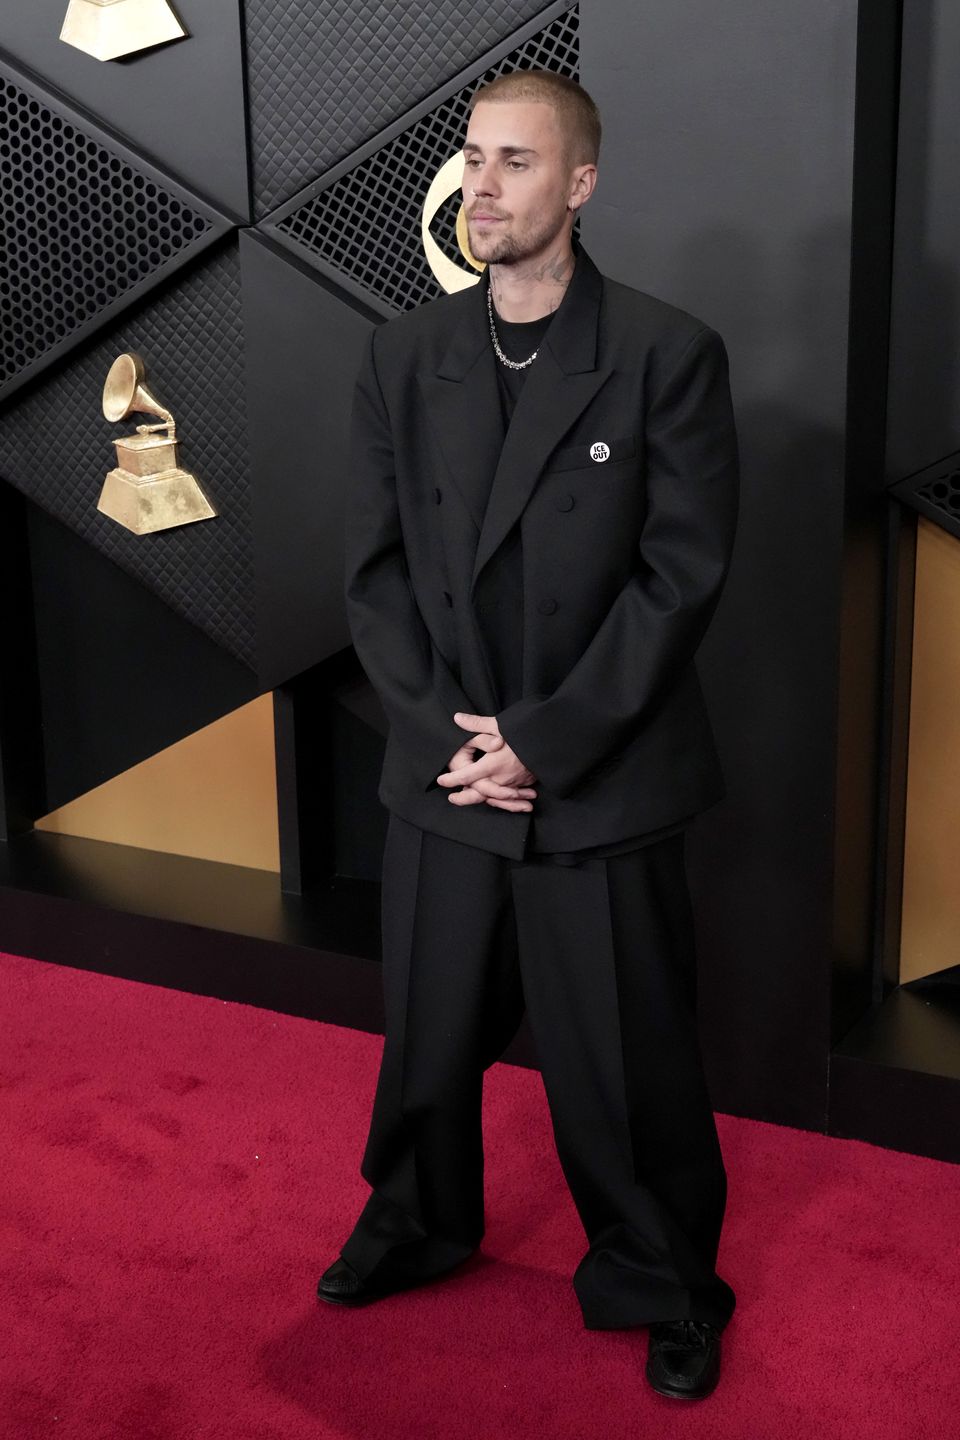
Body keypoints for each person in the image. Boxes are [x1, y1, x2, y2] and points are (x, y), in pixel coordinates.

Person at [319, 68, 740, 1402]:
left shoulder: (668, 353)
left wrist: (542, 742)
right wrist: (455, 736)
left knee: (628, 1064)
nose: (483, 186)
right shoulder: (403, 352)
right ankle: (418, 1222)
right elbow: (372, 575)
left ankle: (665, 1275)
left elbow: (681, 580)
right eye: (472, 159)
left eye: (515, 161)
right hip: (449, 763)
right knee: (431, 1033)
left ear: (581, 185)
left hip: (594, 768)